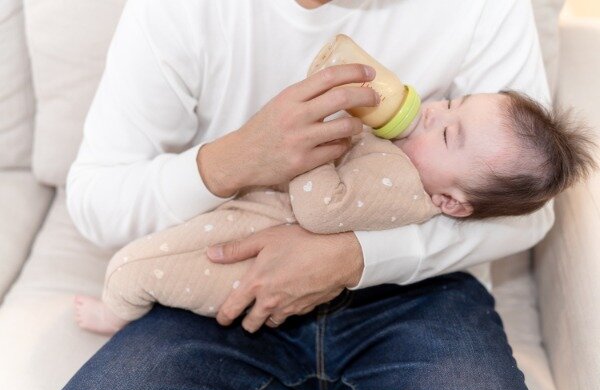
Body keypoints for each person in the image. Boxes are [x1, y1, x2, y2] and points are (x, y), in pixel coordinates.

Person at [58, 0, 559, 390]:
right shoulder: (182, 11)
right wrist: (234, 160)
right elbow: (95, 200)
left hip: (419, 291)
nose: (433, 112)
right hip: (228, 283)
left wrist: (356, 256)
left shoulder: (486, 8)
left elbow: (528, 206)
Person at [72, 90, 595, 336]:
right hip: (249, 225)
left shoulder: (404, 186)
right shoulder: (404, 159)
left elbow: (322, 211)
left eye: (447, 134)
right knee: (161, 249)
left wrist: (310, 149)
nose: (434, 110)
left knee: (139, 267)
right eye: (454, 104)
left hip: (250, 268)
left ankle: (117, 311)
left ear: (450, 203)